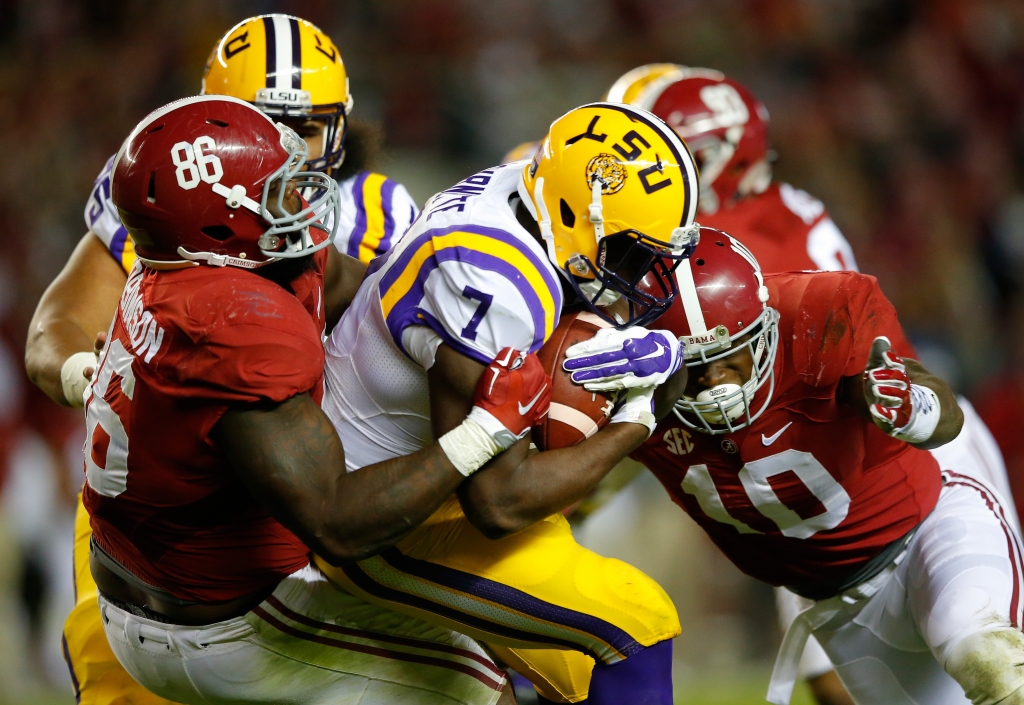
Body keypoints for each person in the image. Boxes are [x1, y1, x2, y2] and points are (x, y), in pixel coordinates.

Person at [88, 94, 553, 704]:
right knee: (477, 685)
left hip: (145, 586)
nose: (299, 195)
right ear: (215, 219)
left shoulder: (185, 268)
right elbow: (338, 522)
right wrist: (484, 429)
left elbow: (354, 286)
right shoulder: (231, 319)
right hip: (215, 625)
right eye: (273, 189)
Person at [23, 14, 417, 705]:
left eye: (308, 129)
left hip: (314, 489)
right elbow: (55, 328)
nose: (285, 150)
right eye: (260, 122)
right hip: (168, 506)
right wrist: (79, 372)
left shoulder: (380, 213)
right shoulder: (178, 191)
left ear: (342, 125)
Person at [625, 65, 1020, 705]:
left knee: (983, 642)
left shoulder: (723, 254)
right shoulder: (766, 217)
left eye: (662, 162)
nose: (653, 184)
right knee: (857, 677)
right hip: (823, 465)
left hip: (888, 436)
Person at [315, 102, 699, 705]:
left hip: (424, 481)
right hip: (382, 512)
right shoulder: (494, 283)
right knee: (637, 623)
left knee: (578, 661)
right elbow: (497, 501)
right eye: (628, 252)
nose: (640, 273)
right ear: (576, 212)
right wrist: (633, 420)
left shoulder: (518, 194)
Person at [563, 228, 1024, 704]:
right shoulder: (630, 387)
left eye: (726, 356)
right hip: (835, 598)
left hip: (929, 524)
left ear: (761, 328)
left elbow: (942, 414)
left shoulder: (820, 320)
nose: (713, 381)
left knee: (988, 657)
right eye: (694, 365)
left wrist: (914, 407)